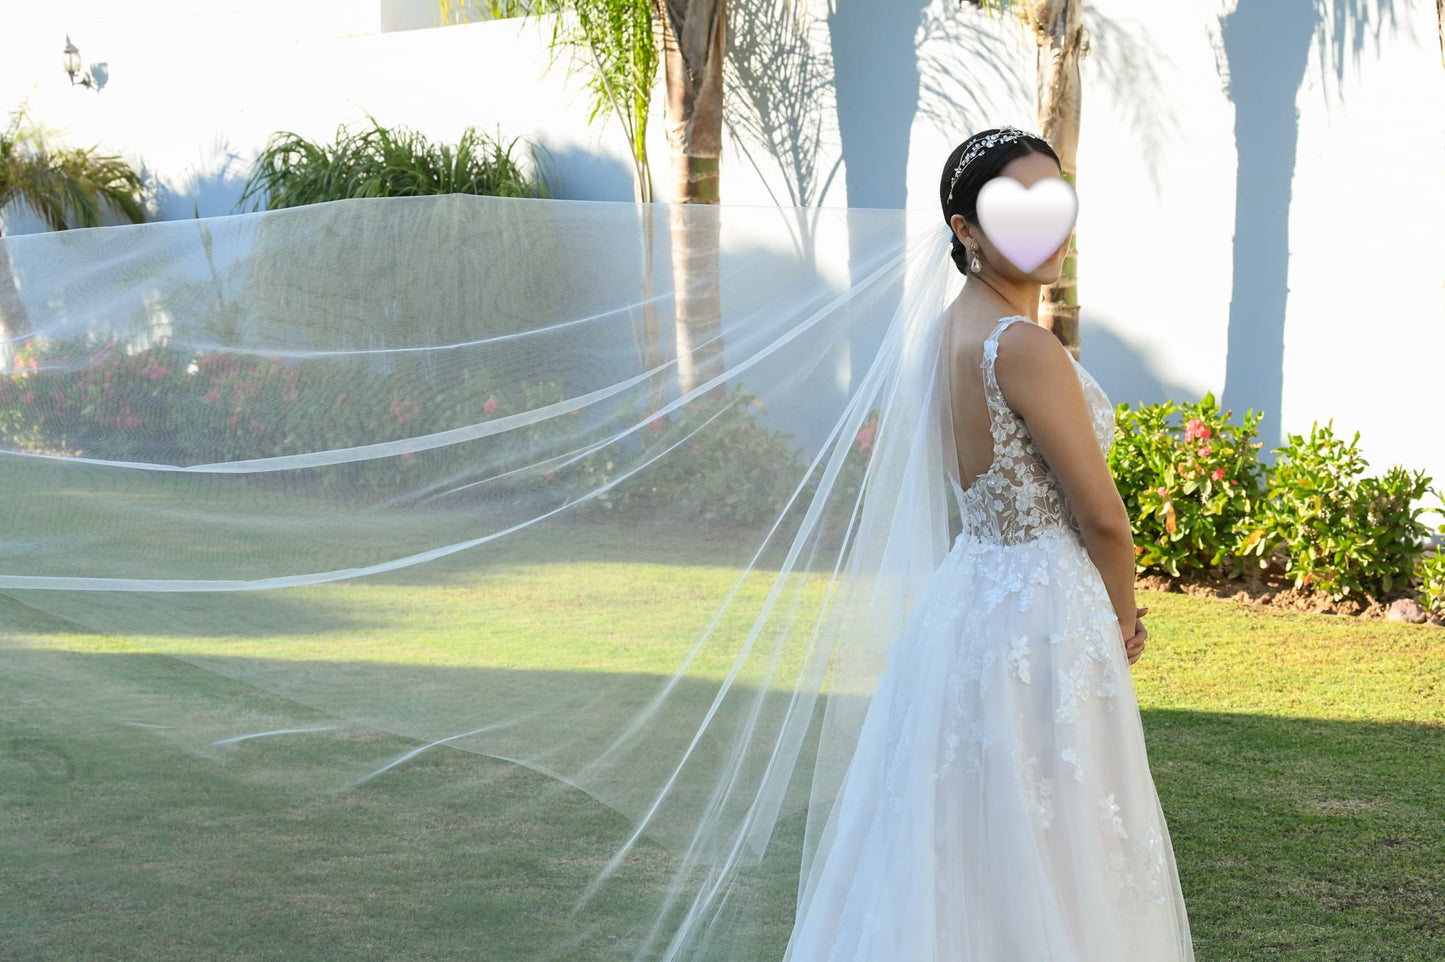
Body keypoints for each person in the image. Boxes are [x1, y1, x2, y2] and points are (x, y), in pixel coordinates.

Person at [779, 127, 1197, 960]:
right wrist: (1123, 618)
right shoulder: (1023, 346)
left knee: (959, 819)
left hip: (968, 595)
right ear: (965, 229)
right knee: (1057, 821)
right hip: (1045, 603)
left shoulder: (944, 334)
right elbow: (1103, 516)